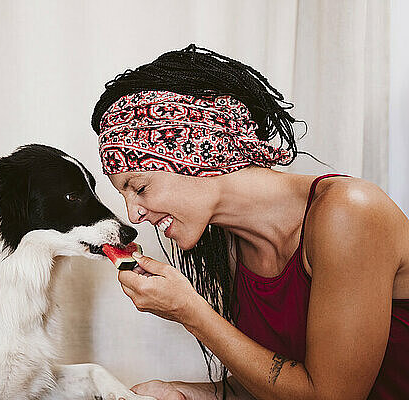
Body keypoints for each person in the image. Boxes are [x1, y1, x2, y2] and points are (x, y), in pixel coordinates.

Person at [90, 44, 409, 400]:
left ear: (198, 150)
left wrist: (192, 312)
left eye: (140, 187)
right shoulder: (230, 246)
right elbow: (276, 384)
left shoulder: (350, 213)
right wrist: (183, 393)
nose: (134, 215)